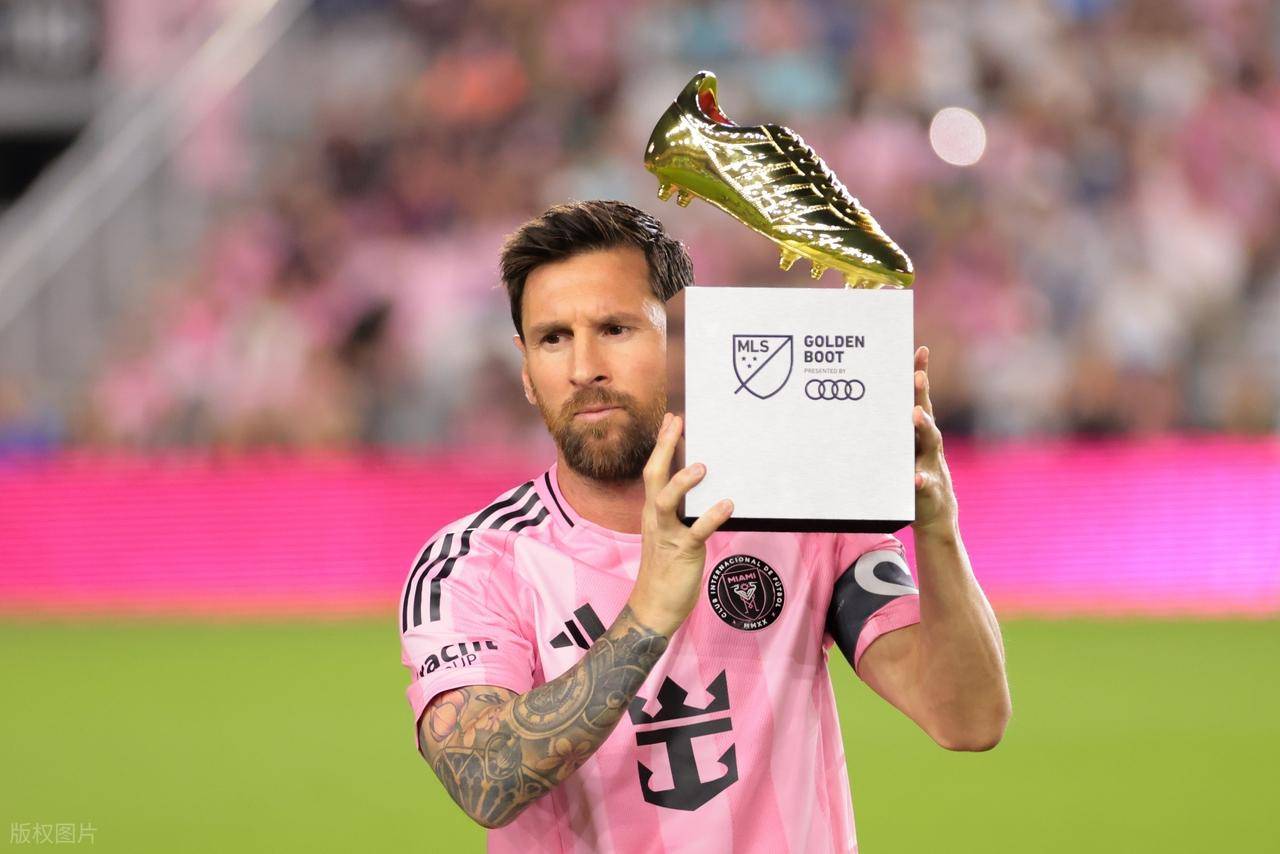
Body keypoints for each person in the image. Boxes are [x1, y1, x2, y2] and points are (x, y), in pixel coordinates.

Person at [398, 200, 1011, 853]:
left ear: (685, 339)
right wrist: (647, 617)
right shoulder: (473, 562)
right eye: (553, 338)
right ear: (525, 370)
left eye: (615, 329)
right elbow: (483, 781)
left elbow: (967, 718)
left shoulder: (796, 510)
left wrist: (937, 524)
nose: (583, 368)